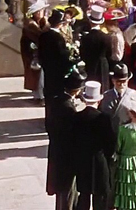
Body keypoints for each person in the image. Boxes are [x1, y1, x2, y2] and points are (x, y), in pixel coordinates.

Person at [45, 69, 85, 210]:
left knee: (61, 190)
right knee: (68, 191)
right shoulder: (69, 109)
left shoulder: (56, 101)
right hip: (67, 156)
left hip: (56, 151)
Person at [73, 81, 116, 210]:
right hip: (100, 162)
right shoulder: (104, 118)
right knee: (100, 198)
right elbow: (111, 144)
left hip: (82, 162)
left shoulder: (77, 117)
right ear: (99, 100)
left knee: (83, 196)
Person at [39, 9, 73, 107]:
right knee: (57, 94)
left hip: (47, 68)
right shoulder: (58, 38)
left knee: (48, 92)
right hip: (57, 70)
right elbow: (63, 55)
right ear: (60, 24)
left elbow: (40, 52)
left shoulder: (43, 35)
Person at [21, 0, 50, 104]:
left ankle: (38, 95)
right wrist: (46, 25)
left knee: (38, 74)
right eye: (40, 11)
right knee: (36, 74)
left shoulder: (39, 22)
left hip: (37, 51)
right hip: (31, 53)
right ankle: (40, 97)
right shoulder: (30, 25)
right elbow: (41, 36)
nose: (42, 13)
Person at [80, 5, 113, 93]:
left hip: (90, 64)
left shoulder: (85, 37)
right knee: (103, 87)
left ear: (90, 22)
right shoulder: (107, 37)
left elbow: (82, 54)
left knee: (91, 87)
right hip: (102, 64)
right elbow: (109, 54)